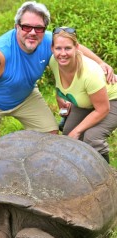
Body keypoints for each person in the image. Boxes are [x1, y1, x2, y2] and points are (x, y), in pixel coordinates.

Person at [0, 1, 116, 148]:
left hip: (26, 97)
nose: (33, 33)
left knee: (51, 136)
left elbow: (75, 47)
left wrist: (100, 63)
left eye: (39, 28)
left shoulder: (47, 40)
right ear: (17, 27)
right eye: (26, 27)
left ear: (44, 29)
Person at [49, 27, 117, 163]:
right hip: (87, 102)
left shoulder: (90, 73)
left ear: (77, 48)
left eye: (68, 48)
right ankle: (79, 172)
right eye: (58, 48)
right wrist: (59, 96)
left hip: (111, 100)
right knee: (68, 136)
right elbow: (60, 85)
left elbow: (103, 109)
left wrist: (78, 131)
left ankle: (107, 178)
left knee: (92, 137)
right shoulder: (53, 62)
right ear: (52, 48)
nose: (62, 53)